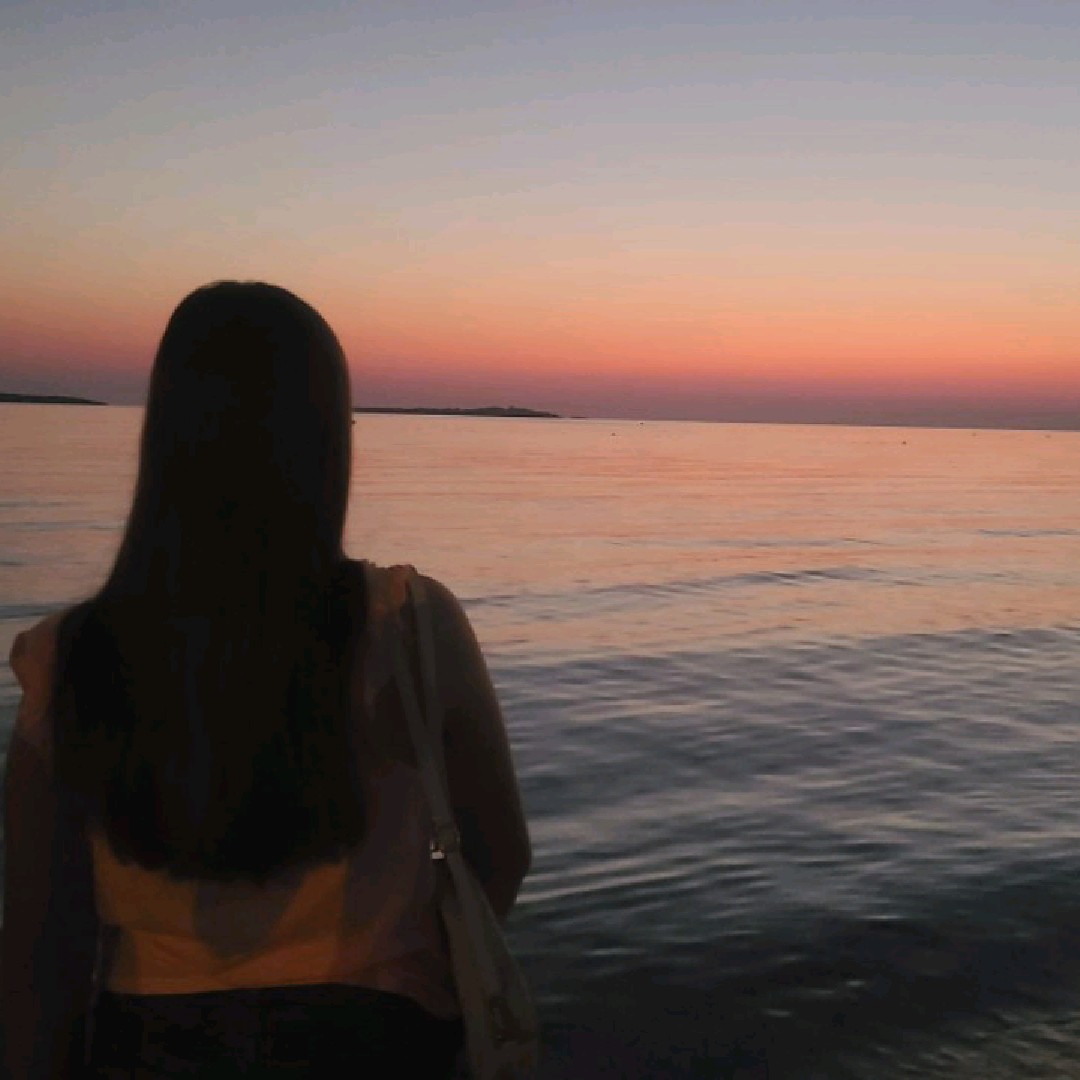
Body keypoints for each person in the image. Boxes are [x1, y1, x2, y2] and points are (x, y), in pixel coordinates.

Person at [1, 281, 531, 1078]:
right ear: (326, 443)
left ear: (166, 436)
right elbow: (503, 855)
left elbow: (41, 944)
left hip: (147, 1048)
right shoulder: (409, 625)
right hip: (380, 1038)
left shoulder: (66, 658)